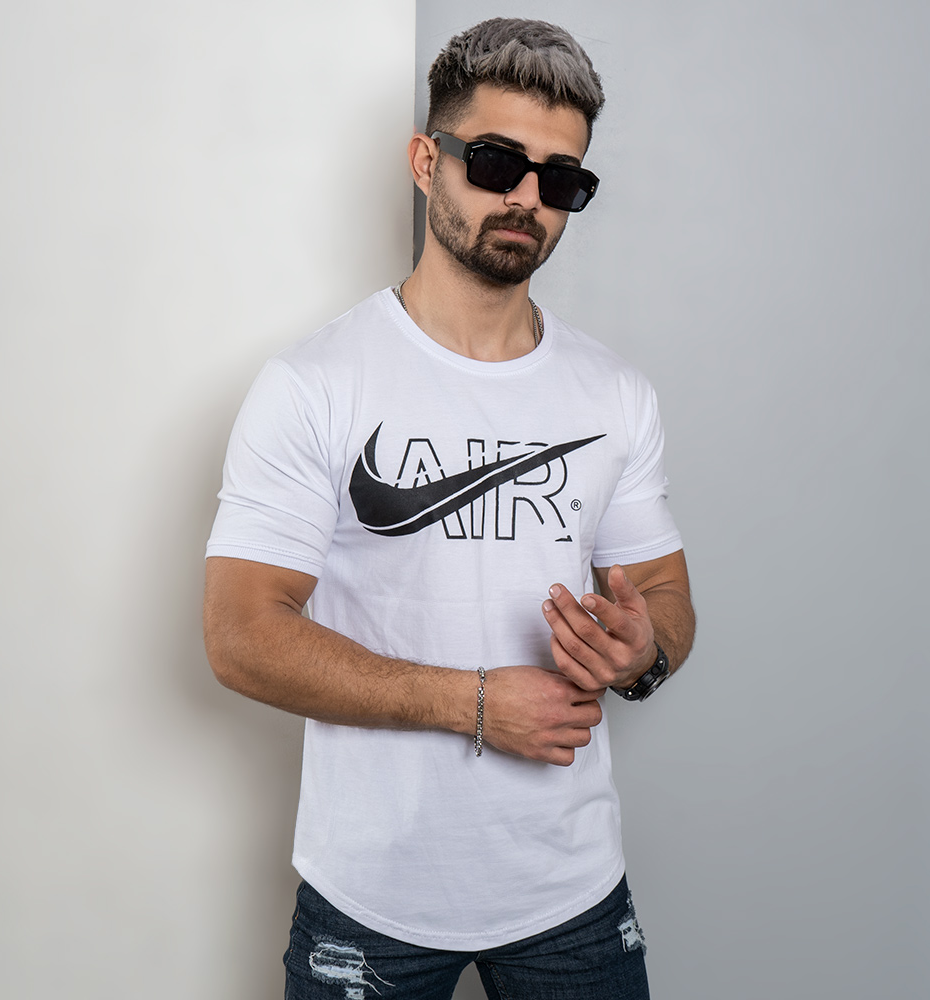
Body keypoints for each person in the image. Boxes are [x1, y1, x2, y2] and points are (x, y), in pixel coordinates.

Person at [203, 17, 695, 1000]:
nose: (527, 199)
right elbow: (240, 635)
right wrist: (472, 703)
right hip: (370, 896)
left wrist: (642, 653)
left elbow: (665, 598)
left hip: (571, 892)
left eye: (561, 180)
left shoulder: (614, 394)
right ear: (427, 161)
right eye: (499, 162)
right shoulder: (315, 384)